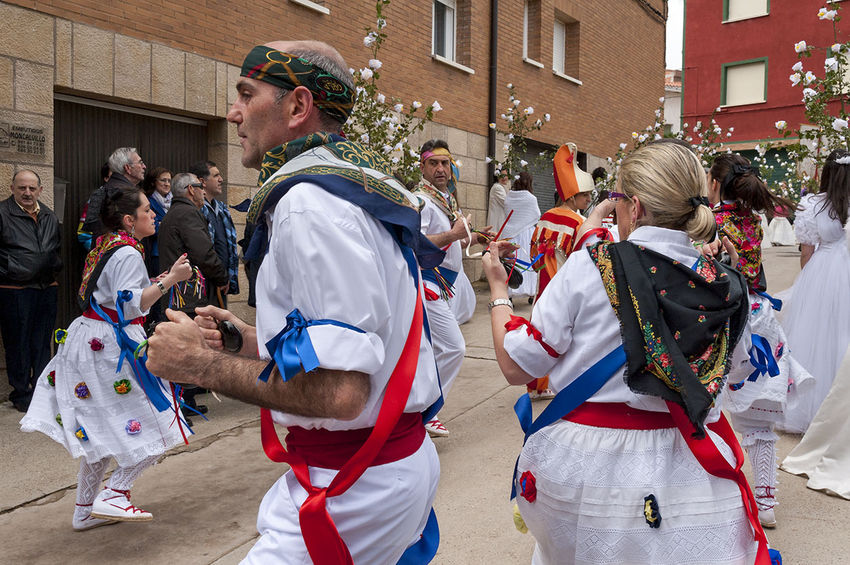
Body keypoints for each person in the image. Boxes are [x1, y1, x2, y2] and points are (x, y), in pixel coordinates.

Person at [146, 40, 443, 564]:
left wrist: (199, 364)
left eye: (245, 93)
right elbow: (358, 344)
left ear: (298, 107)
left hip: (355, 485)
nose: (233, 112)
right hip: (376, 472)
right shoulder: (350, 187)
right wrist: (247, 341)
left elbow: (340, 391)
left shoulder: (310, 204)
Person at [483, 142, 772, 564]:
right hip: (694, 474)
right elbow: (742, 370)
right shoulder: (727, 283)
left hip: (592, 473)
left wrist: (496, 291)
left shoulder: (589, 266)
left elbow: (517, 364)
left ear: (633, 207)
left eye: (616, 200)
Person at [20, 185, 192, 530]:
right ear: (129, 220)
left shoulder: (106, 245)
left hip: (87, 338)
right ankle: (115, 492)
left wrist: (158, 280)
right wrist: (171, 279)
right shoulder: (128, 252)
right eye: (147, 211)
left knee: (99, 433)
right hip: (112, 345)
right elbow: (129, 306)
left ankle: (85, 509)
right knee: (166, 422)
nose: (154, 215)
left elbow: (115, 295)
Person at [707, 152, 814, 528]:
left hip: (721, 318)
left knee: (707, 409)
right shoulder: (754, 220)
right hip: (758, 316)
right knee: (758, 418)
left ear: (716, 184)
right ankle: (765, 500)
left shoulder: (712, 222)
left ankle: (710, 495)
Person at [415, 138, 488, 437]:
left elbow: (453, 240)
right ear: (422, 166)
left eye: (445, 163)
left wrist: (479, 239)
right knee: (454, 348)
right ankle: (424, 411)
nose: (441, 169)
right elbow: (416, 243)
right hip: (428, 281)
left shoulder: (444, 200)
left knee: (433, 350)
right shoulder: (420, 200)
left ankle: (417, 411)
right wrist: (455, 232)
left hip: (445, 286)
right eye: (434, 163)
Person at [777, 149, 850, 433]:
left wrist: (806, 284)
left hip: (823, 272)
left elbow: (807, 252)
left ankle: (813, 408)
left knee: (817, 335)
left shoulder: (813, 205)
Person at [526, 143, 593, 400]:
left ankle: (536, 383)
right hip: (566, 285)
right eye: (585, 195)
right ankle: (559, 381)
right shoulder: (579, 223)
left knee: (541, 331)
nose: (588, 200)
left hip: (543, 285)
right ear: (573, 195)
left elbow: (536, 257)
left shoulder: (546, 217)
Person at [0, 170, 62, 412]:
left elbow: (56, 248)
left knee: (41, 342)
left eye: (32, 188)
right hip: (14, 289)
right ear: (13, 188)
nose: (27, 192)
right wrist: (9, 269)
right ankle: (22, 394)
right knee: (18, 343)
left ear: (40, 190)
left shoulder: (48, 214)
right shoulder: (3, 213)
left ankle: (41, 390)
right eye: (22, 188)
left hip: (46, 288)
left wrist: (54, 268)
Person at [157, 173, 228, 316]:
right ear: (191, 189)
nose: (203, 191)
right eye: (200, 187)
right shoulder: (187, 213)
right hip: (190, 299)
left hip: (179, 298)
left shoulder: (174, 213)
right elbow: (203, 254)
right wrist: (222, 277)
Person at [191, 160, 240, 306]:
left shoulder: (222, 209)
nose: (221, 179)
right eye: (216, 175)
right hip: (205, 282)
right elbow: (202, 250)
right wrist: (219, 276)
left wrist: (226, 278)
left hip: (222, 282)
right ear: (202, 182)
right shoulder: (196, 210)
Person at [79, 148, 147, 249]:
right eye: (140, 162)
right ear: (128, 168)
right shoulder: (120, 194)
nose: (144, 166)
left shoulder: (107, 189)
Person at [500, 171, 540, 300]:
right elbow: (536, 215)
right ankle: (531, 292)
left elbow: (507, 212)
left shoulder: (508, 197)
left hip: (510, 234)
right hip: (526, 233)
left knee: (512, 263)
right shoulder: (531, 198)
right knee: (527, 262)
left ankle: (510, 293)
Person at [141, 167, 172, 326]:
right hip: (155, 254)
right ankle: (155, 323)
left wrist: (163, 225)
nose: (167, 184)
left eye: (169, 180)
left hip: (170, 253)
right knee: (157, 292)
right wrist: (165, 226)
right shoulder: (149, 201)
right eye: (163, 180)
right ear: (154, 182)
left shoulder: (174, 201)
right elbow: (153, 230)